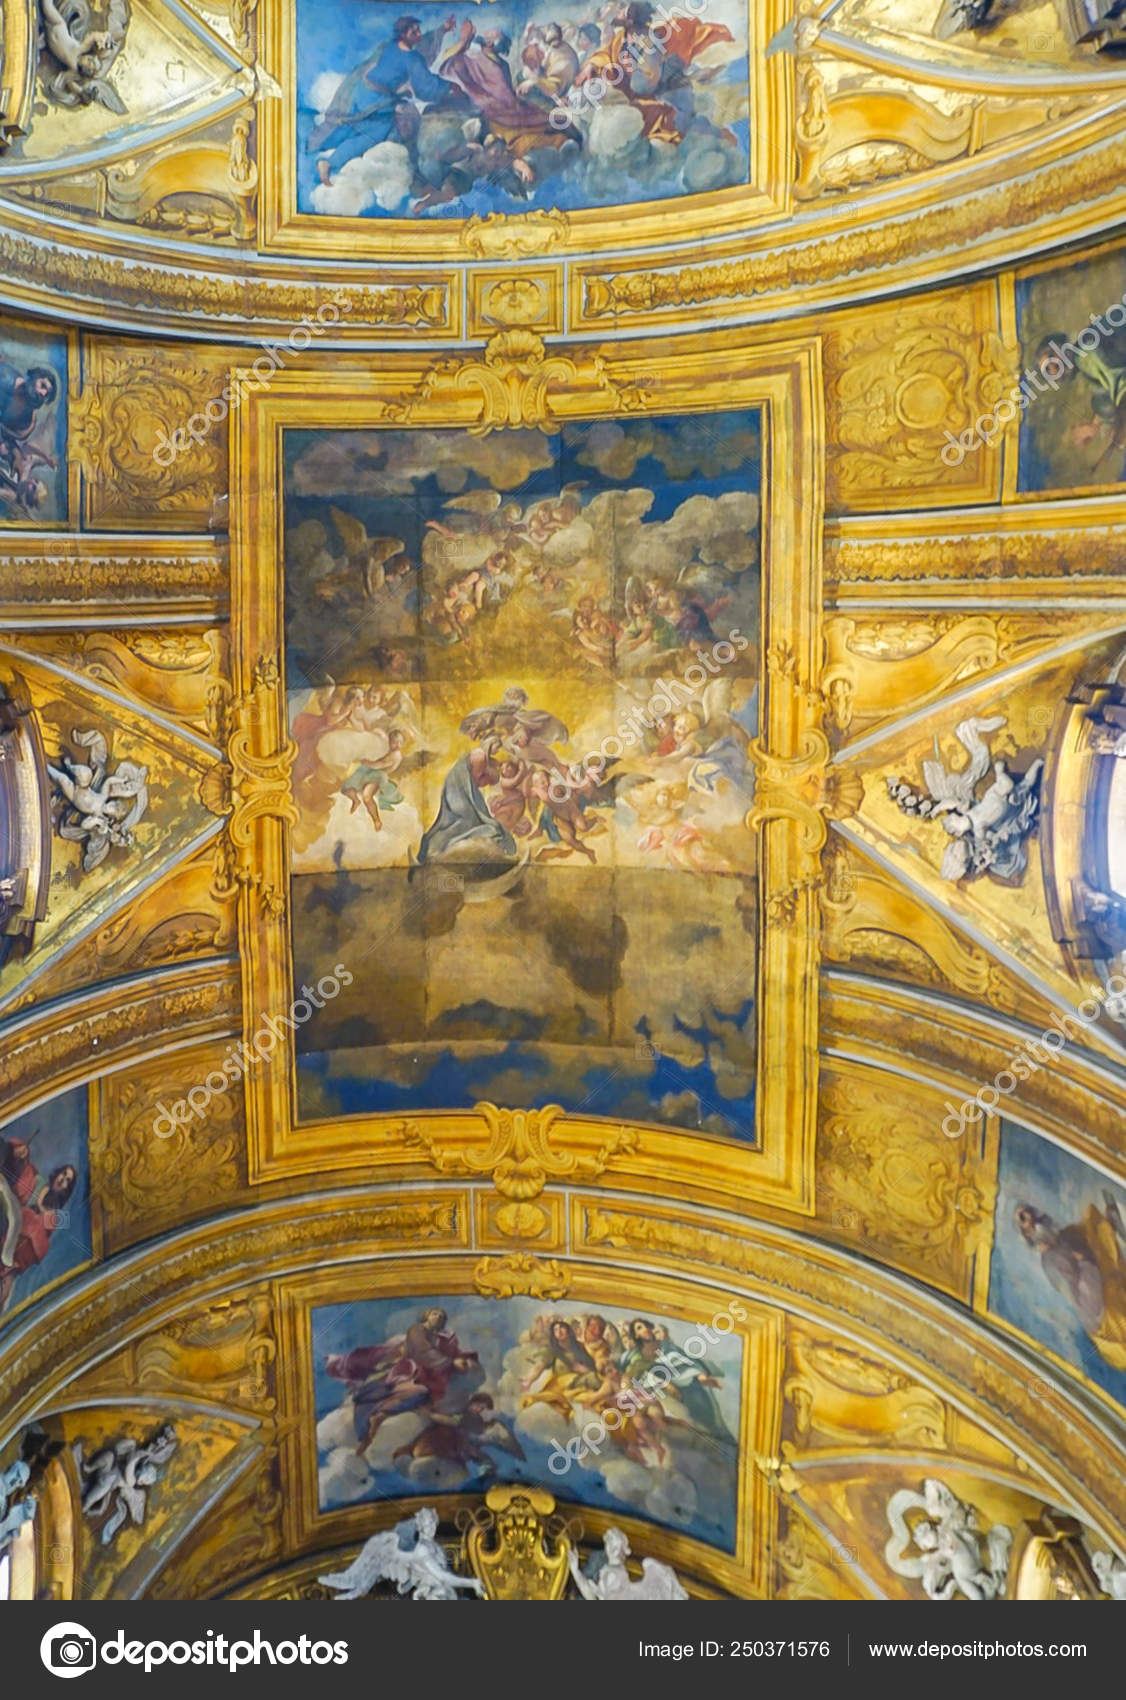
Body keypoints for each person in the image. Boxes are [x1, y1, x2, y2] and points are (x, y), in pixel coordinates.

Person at [309, 15, 457, 185]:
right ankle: (330, 162)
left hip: (361, 90)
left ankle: (320, 149)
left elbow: (418, 48)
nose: (419, 33)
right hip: (376, 101)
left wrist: (443, 29)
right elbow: (426, 87)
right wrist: (449, 86)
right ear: (403, 35)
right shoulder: (412, 59)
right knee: (374, 133)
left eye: (418, 29)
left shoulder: (390, 46)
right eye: (414, 31)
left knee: (351, 125)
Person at [1016, 1196, 1126, 1371]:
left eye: (1031, 1212)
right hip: (1107, 1319)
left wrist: (1108, 1224)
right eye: (1023, 1219)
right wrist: (1085, 1261)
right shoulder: (1051, 1261)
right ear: (1027, 1234)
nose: (1031, 1217)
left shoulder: (1065, 1236)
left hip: (1110, 1286)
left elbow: (1091, 1233)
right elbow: (1084, 1300)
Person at [0, 1134, 77, 1312]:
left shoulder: (53, 1218)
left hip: (13, 1250)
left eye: (68, 1181)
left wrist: (27, 1218)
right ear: (57, 1173)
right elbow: (19, 1167)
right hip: (4, 1217)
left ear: (67, 1189)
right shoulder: (36, 1180)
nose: (63, 1180)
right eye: (64, 1174)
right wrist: (21, 1151)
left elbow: (38, 1242)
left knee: (6, 1290)